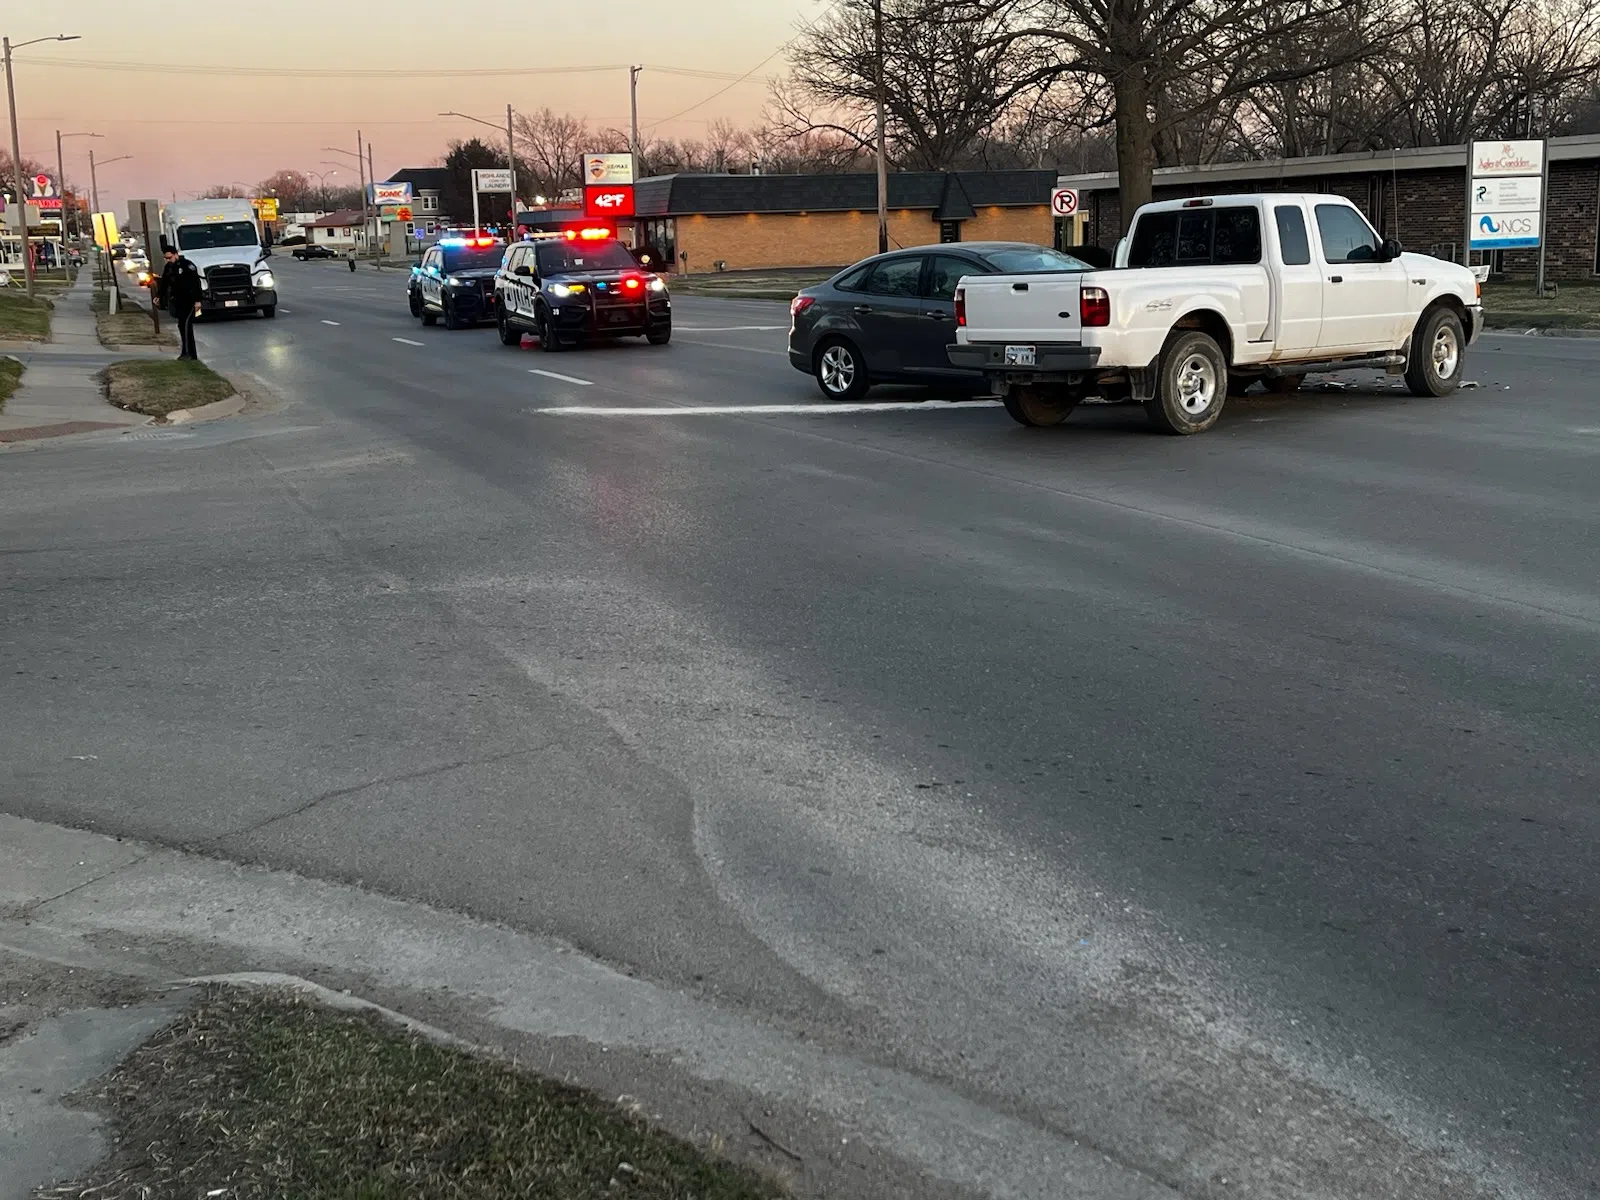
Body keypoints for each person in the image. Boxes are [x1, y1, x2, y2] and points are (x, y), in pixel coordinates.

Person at [156, 241, 204, 361]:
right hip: (178, 301)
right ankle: (190, 353)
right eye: (165, 258)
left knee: (186, 325)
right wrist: (159, 296)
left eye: (169, 257)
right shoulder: (168, 267)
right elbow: (164, 283)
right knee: (181, 326)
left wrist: (198, 301)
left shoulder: (187, 266)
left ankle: (187, 353)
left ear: (176, 254)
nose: (168, 260)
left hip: (189, 300)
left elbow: (196, 284)